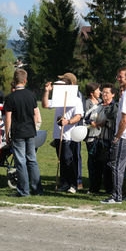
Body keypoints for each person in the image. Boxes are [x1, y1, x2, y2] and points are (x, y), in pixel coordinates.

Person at [101, 67, 126, 204]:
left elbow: (125, 120)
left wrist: (117, 136)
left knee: (117, 166)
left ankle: (116, 197)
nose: (118, 79)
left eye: (121, 77)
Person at [42, 74, 84, 193]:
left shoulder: (76, 99)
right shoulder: (58, 98)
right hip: (57, 134)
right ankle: (65, 183)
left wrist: (68, 121)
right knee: (62, 160)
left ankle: (73, 184)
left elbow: (79, 116)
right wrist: (46, 92)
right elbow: (45, 105)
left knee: (69, 160)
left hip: (70, 135)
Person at [4, 69, 43, 197]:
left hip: (18, 132)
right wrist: (33, 127)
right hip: (30, 132)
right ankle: (37, 190)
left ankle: (24, 191)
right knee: (32, 160)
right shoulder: (31, 95)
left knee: (20, 162)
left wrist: (7, 134)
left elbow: (8, 118)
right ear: (25, 80)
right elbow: (35, 115)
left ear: (14, 81)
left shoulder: (10, 97)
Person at [90, 83, 118, 194]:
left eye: (107, 93)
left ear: (113, 95)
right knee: (96, 166)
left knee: (107, 167)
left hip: (108, 141)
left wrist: (105, 123)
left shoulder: (114, 107)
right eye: (103, 92)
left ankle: (108, 189)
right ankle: (94, 188)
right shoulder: (99, 106)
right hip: (97, 140)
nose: (104, 94)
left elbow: (114, 122)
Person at [84, 82, 102, 194]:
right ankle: (92, 186)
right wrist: (91, 122)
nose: (99, 92)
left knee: (100, 161)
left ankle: (100, 184)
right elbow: (84, 117)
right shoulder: (87, 103)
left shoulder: (101, 102)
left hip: (101, 136)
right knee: (92, 160)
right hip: (91, 136)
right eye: (97, 90)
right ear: (91, 93)